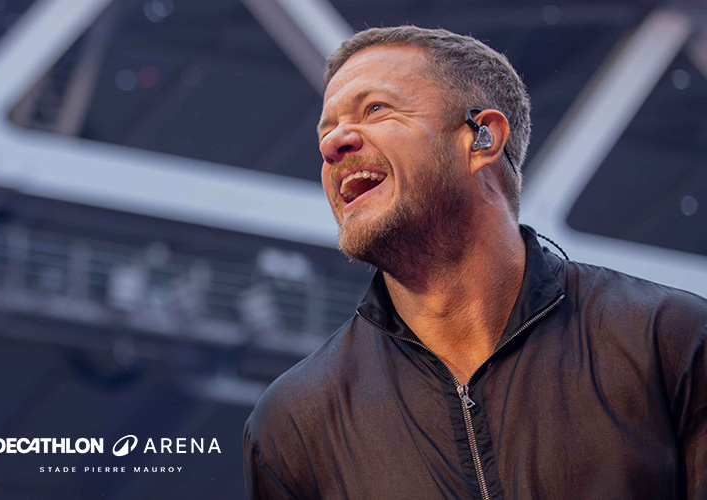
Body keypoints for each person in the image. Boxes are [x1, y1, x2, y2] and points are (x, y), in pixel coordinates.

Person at [243, 26, 707, 499]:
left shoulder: (671, 341)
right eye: (326, 131)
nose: (332, 144)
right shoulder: (293, 423)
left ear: (483, 139)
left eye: (376, 109)